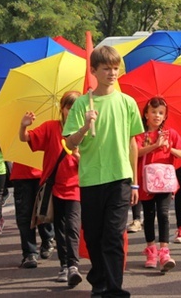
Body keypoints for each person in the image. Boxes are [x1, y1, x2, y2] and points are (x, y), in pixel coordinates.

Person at [63, 45, 144, 298]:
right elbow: (70, 143)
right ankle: (98, 279)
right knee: (95, 236)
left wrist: (134, 182)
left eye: (115, 67)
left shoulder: (127, 102)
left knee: (113, 236)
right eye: (106, 68)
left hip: (119, 178)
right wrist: (85, 125)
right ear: (94, 71)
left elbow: (133, 143)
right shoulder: (81, 106)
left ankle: (114, 288)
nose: (112, 72)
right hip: (90, 179)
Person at [20, 91, 82, 286]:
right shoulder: (50, 127)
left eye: (75, 107)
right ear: (62, 109)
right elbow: (26, 139)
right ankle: (64, 265)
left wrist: (80, 158)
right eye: (68, 107)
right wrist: (23, 125)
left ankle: (73, 266)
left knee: (72, 227)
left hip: (75, 187)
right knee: (60, 229)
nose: (71, 111)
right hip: (53, 187)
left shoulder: (85, 131)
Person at [137, 96, 181, 272]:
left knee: (164, 214)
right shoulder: (139, 134)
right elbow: (134, 153)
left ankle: (164, 252)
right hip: (146, 182)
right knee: (149, 216)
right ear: (146, 114)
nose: (157, 116)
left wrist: (169, 148)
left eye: (160, 113)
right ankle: (151, 250)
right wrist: (154, 146)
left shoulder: (171, 134)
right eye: (153, 112)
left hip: (165, 182)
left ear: (165, 116)